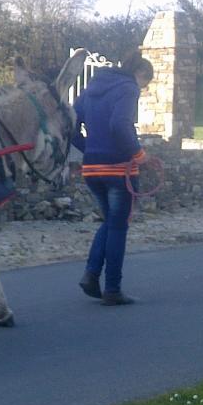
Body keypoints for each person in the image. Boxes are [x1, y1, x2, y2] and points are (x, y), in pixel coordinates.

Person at [70, 50, 154, 305]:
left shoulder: (94, 86)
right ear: (140, 74)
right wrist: (138, 154)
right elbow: (120, 124)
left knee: (110, 222)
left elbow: (71, 122)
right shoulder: (128, 88)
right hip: (119, 169)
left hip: (92, 169)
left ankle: (91, 274)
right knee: (118, 226)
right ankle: (113, 289)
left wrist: (89, 148)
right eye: (146, 84)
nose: (143, 89)